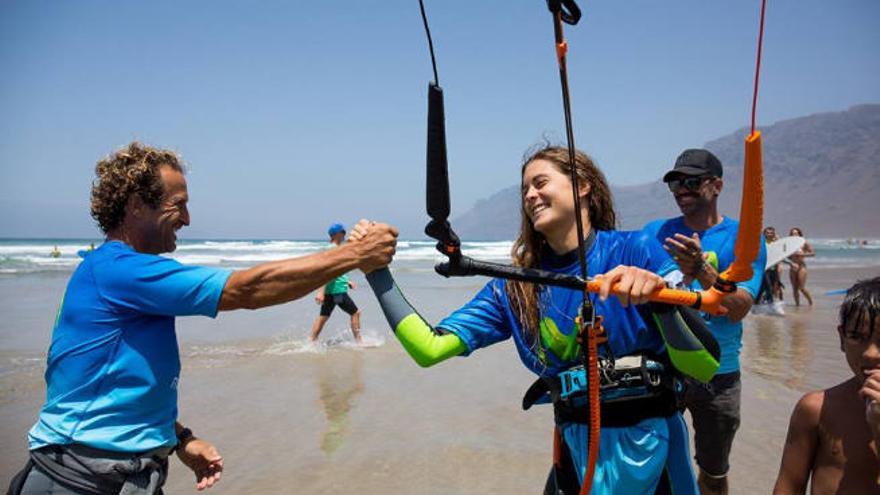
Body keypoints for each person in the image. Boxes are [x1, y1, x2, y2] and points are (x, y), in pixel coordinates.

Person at [7, 142, 397, 494]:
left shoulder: (120, 274)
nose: (188, 219)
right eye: (179, 204)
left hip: (123, 476)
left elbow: (113, 384)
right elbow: (245, 290)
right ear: (135, 205)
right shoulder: (119, 270)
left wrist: (179, 440)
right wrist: (355, 256)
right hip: (78, 482)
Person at [360, 145, 723, 494]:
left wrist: (662, 301)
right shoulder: (514, 289)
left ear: (582, 186)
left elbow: (705, 365)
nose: (531, 195)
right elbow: (430, 348)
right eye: (525, 190)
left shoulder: (635, 249)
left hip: (653, 454)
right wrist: (376, 273)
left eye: (541, 182)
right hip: (575, 459)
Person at [642, 148, 766, 495]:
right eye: (675, 184)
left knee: (713, 473)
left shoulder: (745, 238)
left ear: (717, 186)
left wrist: (702, 271)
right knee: (656, 468)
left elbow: (740, 307)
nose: (682, 190)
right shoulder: (655, 233)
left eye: (692, 182)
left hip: (719, 374)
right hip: (665, 369)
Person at [773, 277, 880, 494]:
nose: (870, 353)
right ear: (841, 338)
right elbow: (788, 487)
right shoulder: (817, 410)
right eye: (856, 337)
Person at [309, 223, 363, 345]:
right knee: (355, 313)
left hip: (334, 289)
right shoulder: (333, 250)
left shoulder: (335, 249)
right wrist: (320, 292)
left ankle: (311, 342)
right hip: (337, 291)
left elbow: (337, 271)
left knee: (324, 317)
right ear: (336, 234)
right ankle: (359, 342)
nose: (344, 234)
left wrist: (347, 281)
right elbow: (326, 272)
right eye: (342, 232)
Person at [756, 226, 784, 306]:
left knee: (765, 287)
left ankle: (756, 304)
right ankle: (772, 305)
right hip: (764, 269)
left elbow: (781, 256)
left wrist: (790, 263)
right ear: (764, 234)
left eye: (771, 233)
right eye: (767, 233)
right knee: (768, 286)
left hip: (773, 269)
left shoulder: (776, 244)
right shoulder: (761, 243)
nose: (769, 234)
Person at [787, 227, 814, 306]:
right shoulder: (788, 244)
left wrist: (802, 254)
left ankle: (811, 303)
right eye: (792, 234)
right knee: (794, 289)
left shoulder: (804, 243)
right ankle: (797, 305)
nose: (794, 235)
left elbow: (812, 253)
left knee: (801, 288)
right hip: (792, 266)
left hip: (801, 266)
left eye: (796, 233)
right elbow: (785, 256)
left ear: (799, 234)